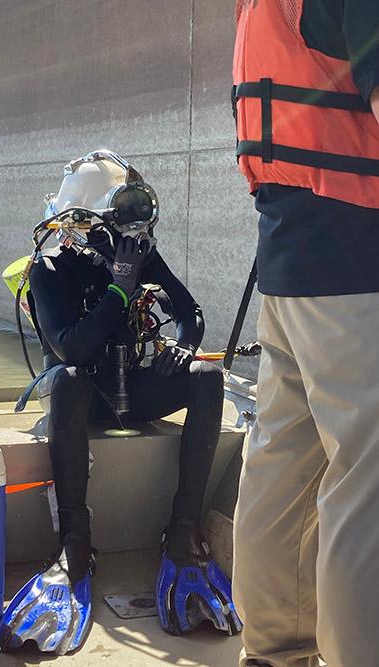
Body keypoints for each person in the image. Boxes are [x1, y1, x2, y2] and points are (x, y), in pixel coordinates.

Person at [0, 150, 242, 655]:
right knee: (67, 380)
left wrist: (182, 347)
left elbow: (188, 309)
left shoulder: (136, 253)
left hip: (136, 389)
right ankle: (75, 545)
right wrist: (120, 290)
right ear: (83, 221)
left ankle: (183, 533)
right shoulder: (49, 268)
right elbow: (75, 349)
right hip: (86, 400)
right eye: (113, 223)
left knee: (207, 378)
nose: (124, 238)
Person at [231, 1, 379, 666]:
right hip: (358, 260)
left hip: (289, 259)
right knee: (367, 479)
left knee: (282, 460)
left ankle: (270, 651)